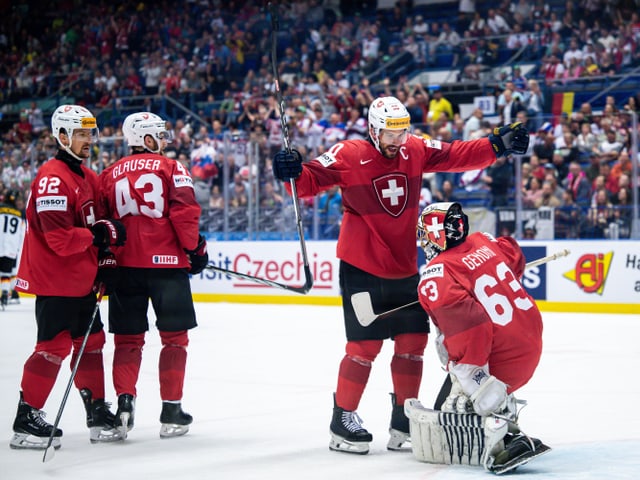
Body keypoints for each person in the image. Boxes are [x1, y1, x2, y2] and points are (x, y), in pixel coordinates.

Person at [271, 96, 529, 455]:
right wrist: (291, 170)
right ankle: (342, 419)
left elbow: (455, 154)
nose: (397, 140)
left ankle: (403, 419)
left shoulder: (415, 149)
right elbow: (309, 180)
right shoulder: (349, 153)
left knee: (412, 346)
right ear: (373, 130)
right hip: (361, 267)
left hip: (405, 267)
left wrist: (494, 145)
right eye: (390, 134)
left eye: (402, 132)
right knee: (364, 348)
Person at [11, 104, 126, 450]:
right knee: (53, 347)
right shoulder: (51, 178)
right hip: (55, 280)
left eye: (90, 132)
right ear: (61, 136)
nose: (88, 139)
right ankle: (26, 418)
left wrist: (105, 256)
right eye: (80, 133)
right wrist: (97, 238)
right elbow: (60, 240)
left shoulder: (88, 177)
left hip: (82, 280)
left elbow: (103, 226)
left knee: (91, 344)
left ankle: (96, 412)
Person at [407, 201, 549, 474]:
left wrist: (474, 381)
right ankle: (496, 403)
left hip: (503, 357)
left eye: (424, 235)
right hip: (529, 339)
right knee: (443, 401)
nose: (423, 243)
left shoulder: (435, 275)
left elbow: (471, 330)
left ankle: (501, 430)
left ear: (436, 234)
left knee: (452, 412)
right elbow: (514, 254)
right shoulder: (483, 241)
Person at [98, 111, 208, 440]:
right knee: (175, 339)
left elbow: (102, 224)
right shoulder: (172, 168)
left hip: (125, 267)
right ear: (145, 138)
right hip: (167, 267)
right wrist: (195, 249)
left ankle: (124, 405)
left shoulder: (108, 174)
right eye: (158, 134)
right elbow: (185, 214)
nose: (163, 139)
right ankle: (172, 411)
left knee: (128, 340)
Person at [0, 190, 24, 308]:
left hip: (0, 244)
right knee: (6, 273)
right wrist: (18, 248)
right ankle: (7, 294)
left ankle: (10, 293)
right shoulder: (19, 214)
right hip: (11, 248)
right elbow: (21, 234)